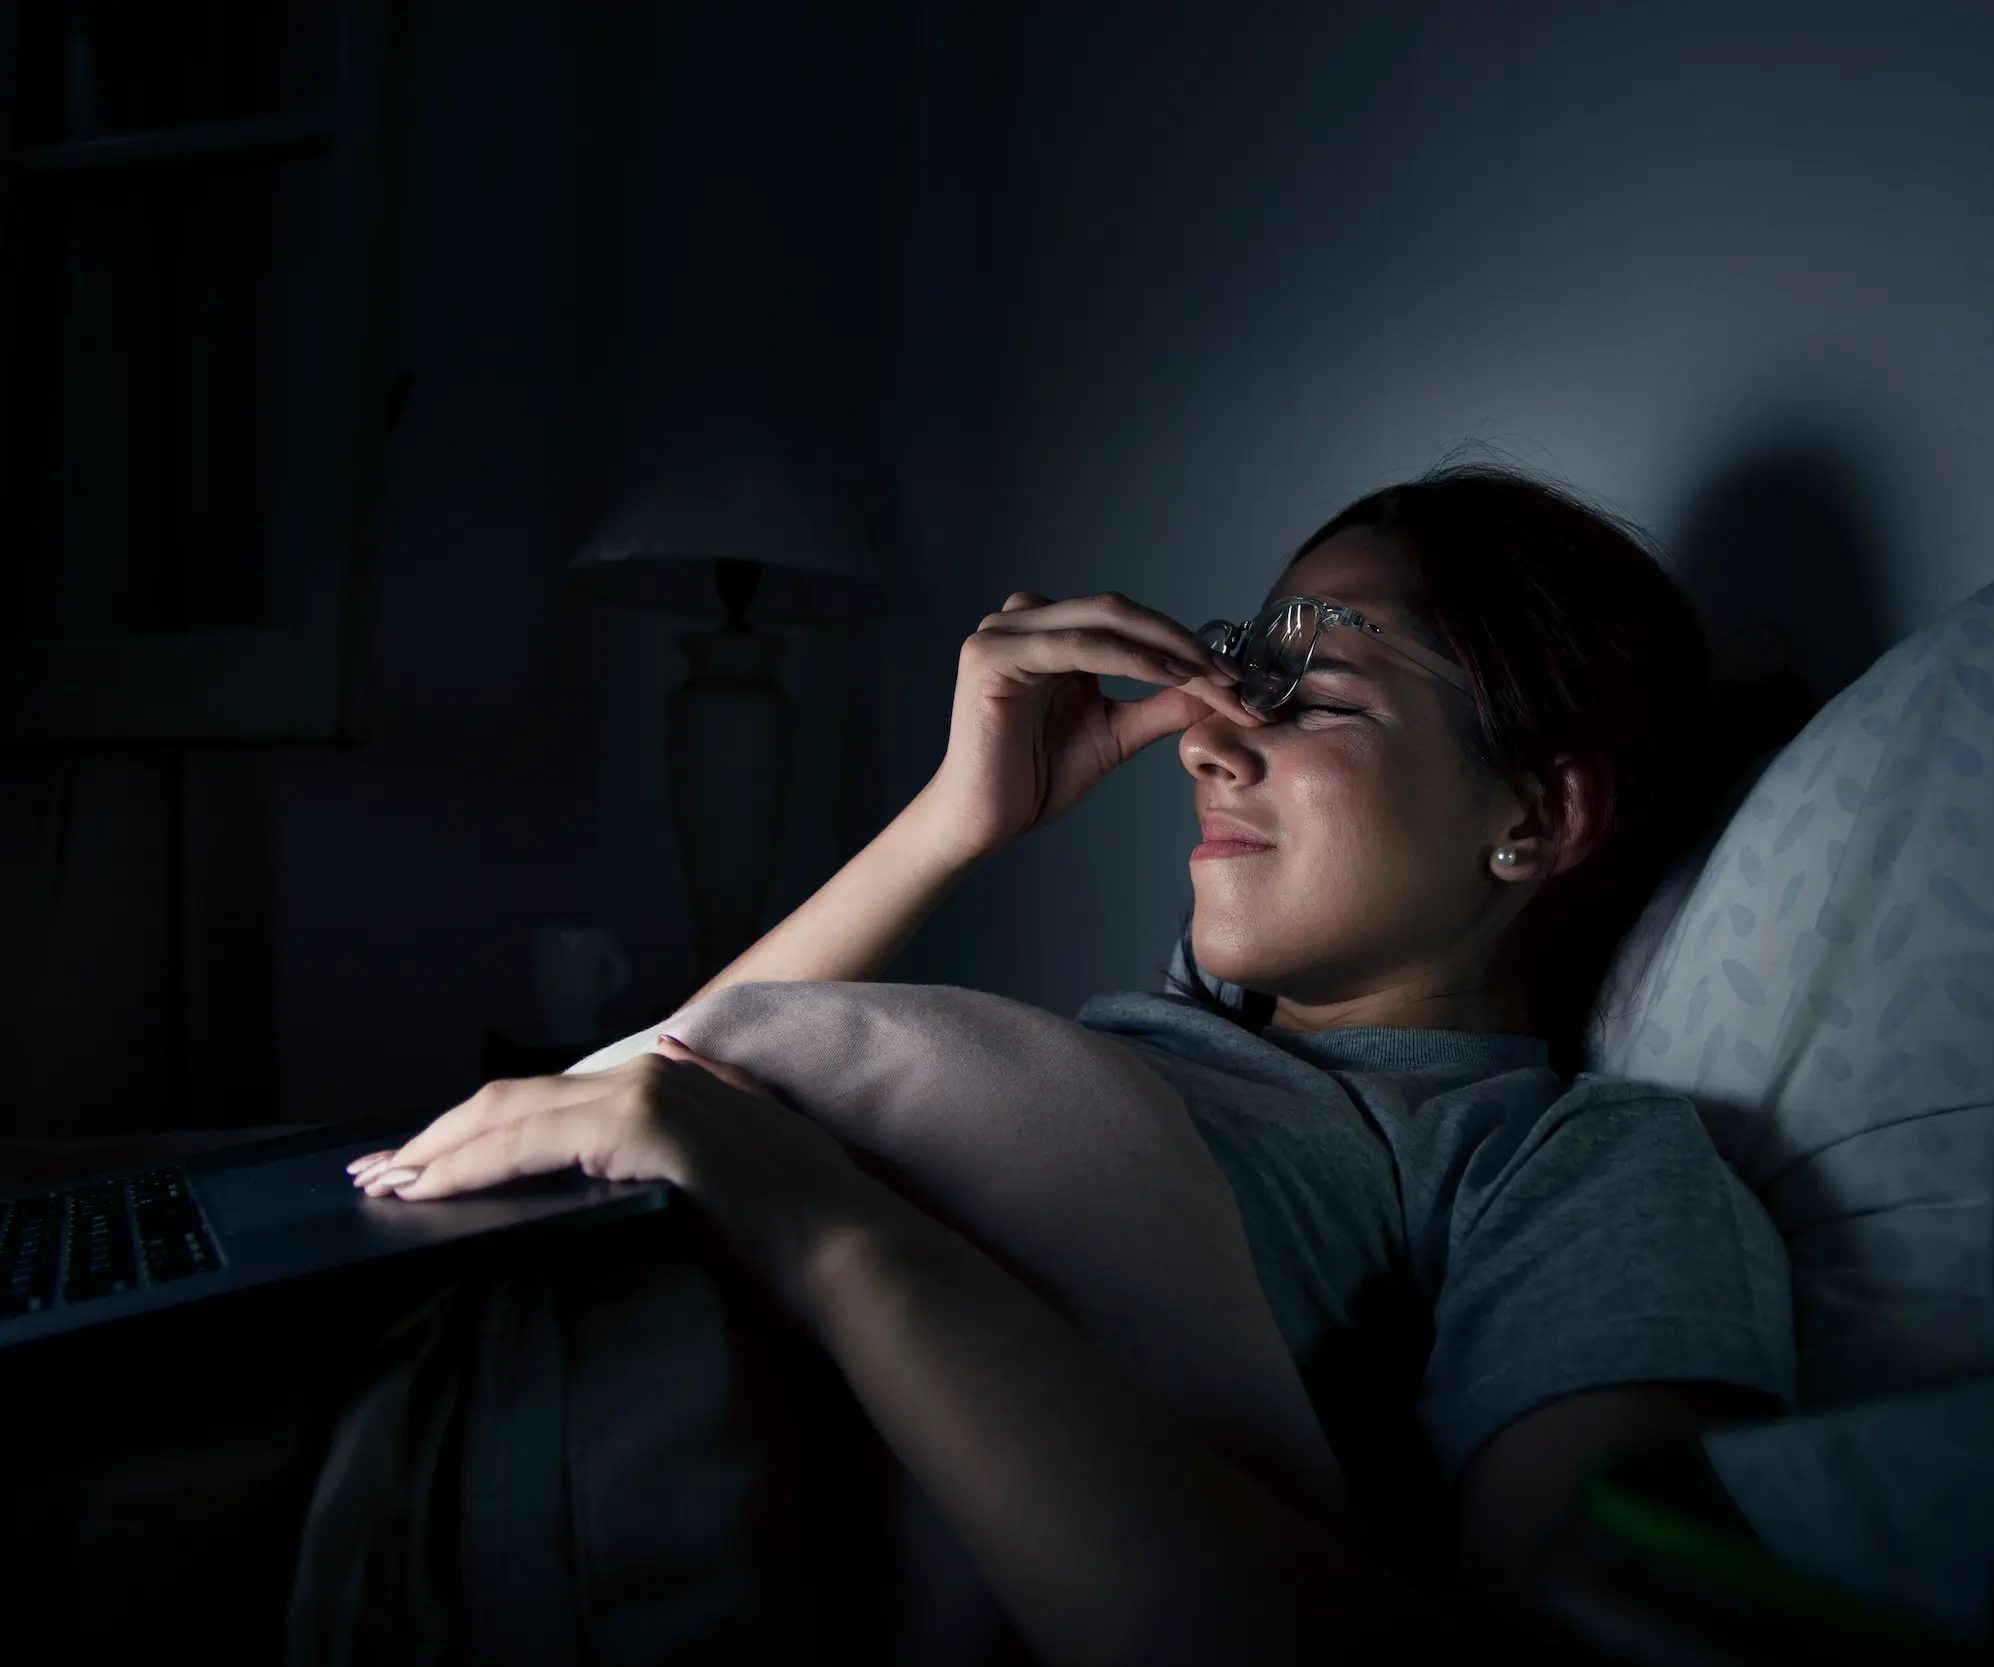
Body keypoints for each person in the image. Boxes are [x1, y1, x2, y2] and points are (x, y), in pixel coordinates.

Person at [344, 465, 1798, 1664]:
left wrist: (828, 1229)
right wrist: (956, 819)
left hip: (500, 1516)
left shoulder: (1576, 1164)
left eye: (1319, 696)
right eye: (1240, 676)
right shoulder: (1174, 1040)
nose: (1208, 742)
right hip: (441, 1340)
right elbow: (636, 1096)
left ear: (1536, 818)